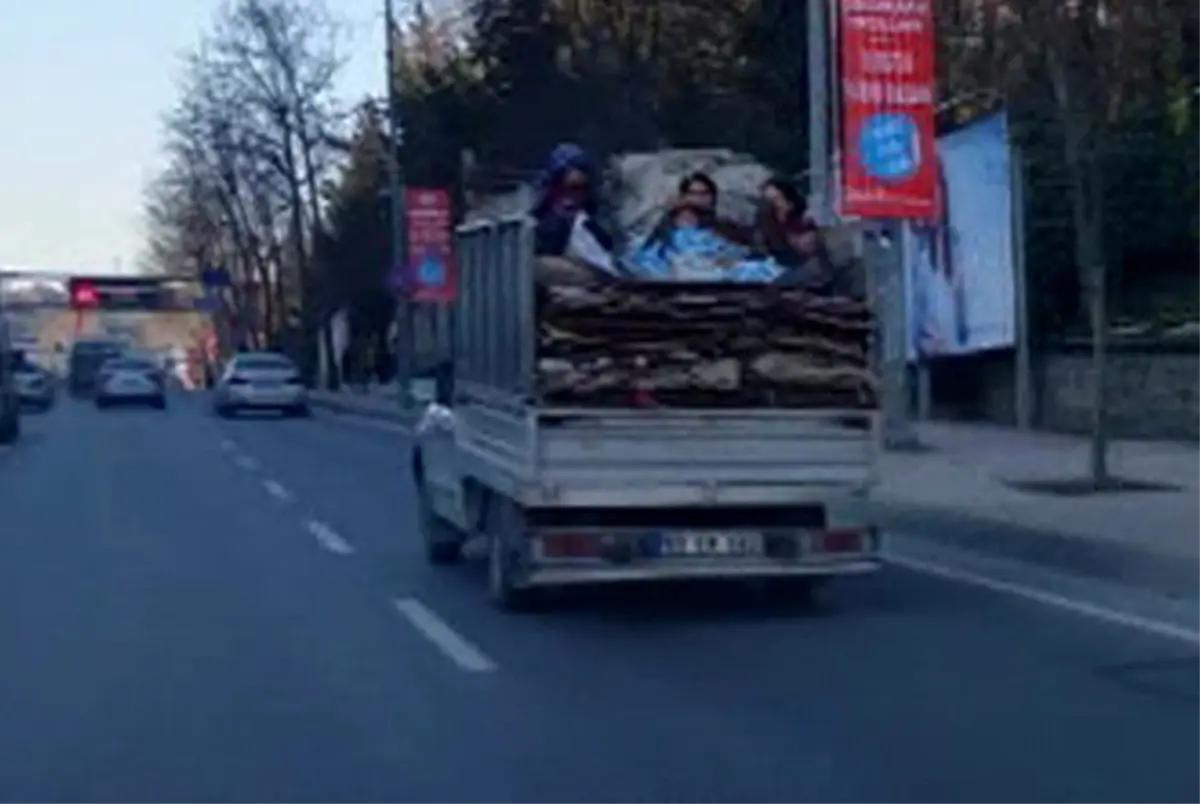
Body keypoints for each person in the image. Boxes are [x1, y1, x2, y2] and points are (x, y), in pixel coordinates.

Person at [755, 177, 838, 290]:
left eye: (777, 199)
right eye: (769, 202)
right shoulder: (765, 226)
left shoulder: (803, 223)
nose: (774, 205)